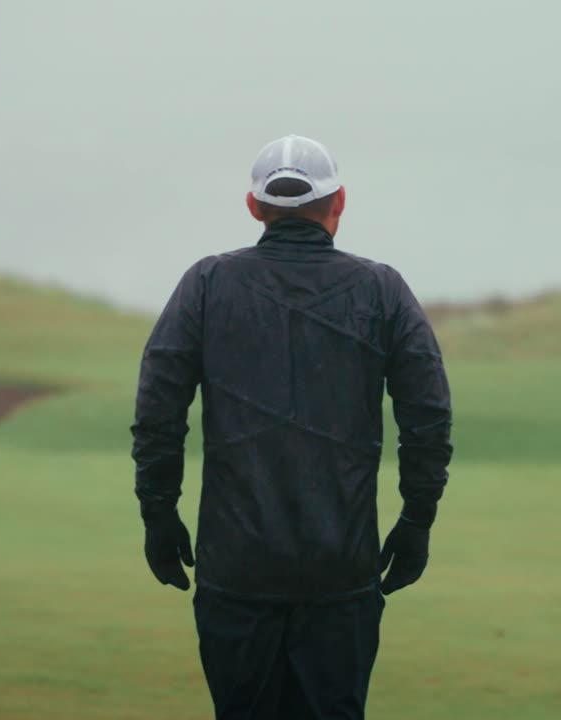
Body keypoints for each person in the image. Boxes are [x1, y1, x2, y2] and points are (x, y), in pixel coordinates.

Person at [130, 134, 454, 720]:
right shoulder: (382, 289)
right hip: (341, 573)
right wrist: (415, 521)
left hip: (235, 572)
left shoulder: (206, 283)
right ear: (340, 202)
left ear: (255, 208)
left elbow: (158, 409)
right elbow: (427, 417)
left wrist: (158, 511)